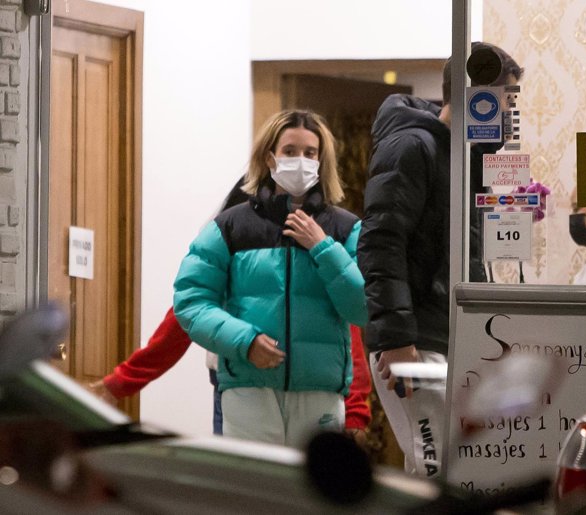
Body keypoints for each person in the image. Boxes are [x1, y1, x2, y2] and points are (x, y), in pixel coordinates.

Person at [357, 42, 523, 478]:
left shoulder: (465, 159)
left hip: (450, 337)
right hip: (417, 339)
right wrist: (397, 339)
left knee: (455, 473)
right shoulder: (413, 147)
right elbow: (380, 242)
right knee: (435, 473)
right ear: (476, 99)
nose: (510, 114)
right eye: (505, 101)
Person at [173, 109, 367, 449]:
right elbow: (190, 301)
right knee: (255, 481)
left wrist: (322, 247)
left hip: (320, 391)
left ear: (321, 161)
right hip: (249, 386)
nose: (300, 160)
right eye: (289, 151)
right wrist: (244, 342)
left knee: (312, 483)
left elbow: (363, 308)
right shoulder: (230, 226)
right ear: (269, 157)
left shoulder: (346, 228)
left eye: (310, 153)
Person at [87, 307, 372, 444]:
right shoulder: (227, 229)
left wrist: (355, 410)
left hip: (312, 388)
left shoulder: (318, 230)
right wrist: (120, 382)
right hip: (238, 386)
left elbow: (345, 330)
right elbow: (185, 317)